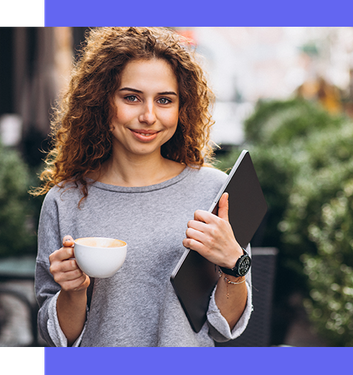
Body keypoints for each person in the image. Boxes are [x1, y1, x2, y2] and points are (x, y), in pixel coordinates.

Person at [32, 27, 252, 347]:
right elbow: (55, 339)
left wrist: (234, 267)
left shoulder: (217, 193)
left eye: (164, 100)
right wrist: (73, 291)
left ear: (181, 109)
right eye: (131, 97)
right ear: (103, 101)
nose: (148, 116)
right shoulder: (63, 201)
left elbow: (225, 328)